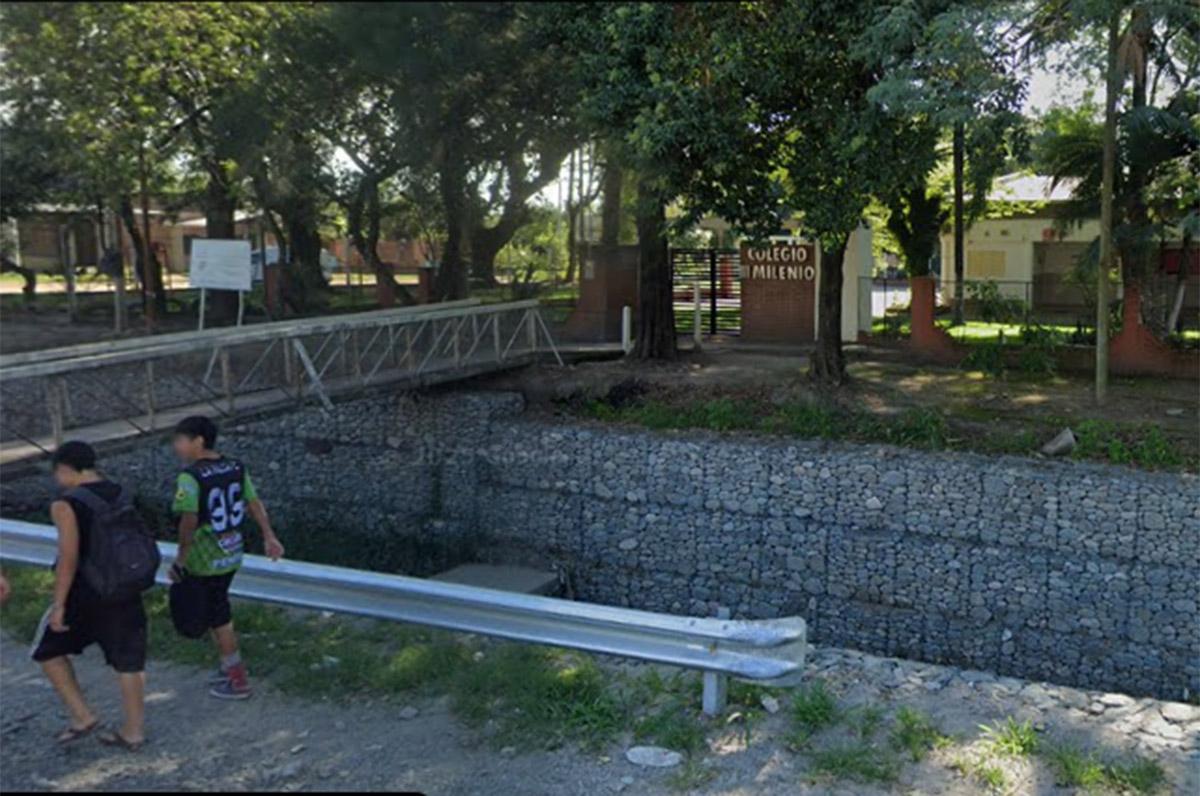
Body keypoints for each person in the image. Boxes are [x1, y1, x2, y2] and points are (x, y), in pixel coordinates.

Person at [30, 441, 147, 751]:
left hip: (86, 592)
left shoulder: (66, 504)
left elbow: (68, 557)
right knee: (129, 662)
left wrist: (59, 604)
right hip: (125, 585)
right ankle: (133, 732)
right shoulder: (121, 491)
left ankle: (83, 716)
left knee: (47, 651)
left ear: (65, 468)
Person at [169, 416, 283, 700]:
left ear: (198, 441)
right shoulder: (235, 467)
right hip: (231, 552)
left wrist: (181, 558)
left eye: (180, 440)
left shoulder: (190, 477)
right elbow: (253, 502)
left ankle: (237, 679)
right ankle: (227, 667)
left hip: (203, 558)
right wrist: (269, 535)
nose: (176, 447)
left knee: (218, 617)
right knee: (216, 610)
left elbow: (188, 519)